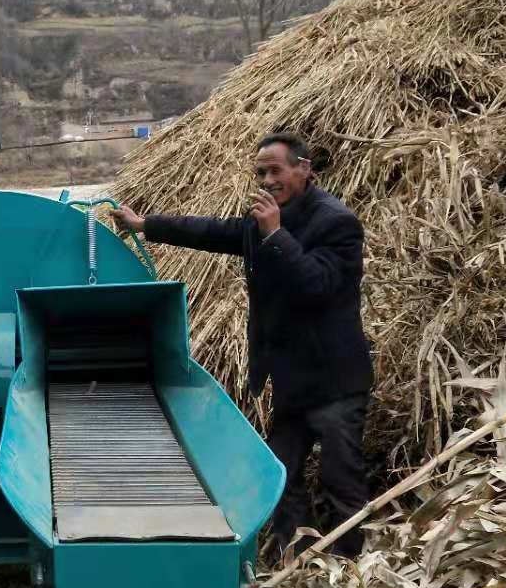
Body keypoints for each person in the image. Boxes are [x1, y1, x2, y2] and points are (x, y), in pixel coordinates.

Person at [115, 132, 372, 559]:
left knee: (340, 477)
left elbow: (318, 286)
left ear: (303, 169)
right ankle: (292, 555)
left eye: (276, 170)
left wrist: (275, 236)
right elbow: (214, 231)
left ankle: (350, 566)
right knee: (281, 475)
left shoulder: (336, 223)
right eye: (261, 173)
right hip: (293, 380)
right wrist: (147, 225)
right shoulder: (264, 219)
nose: (267, 180)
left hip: (334, 382)